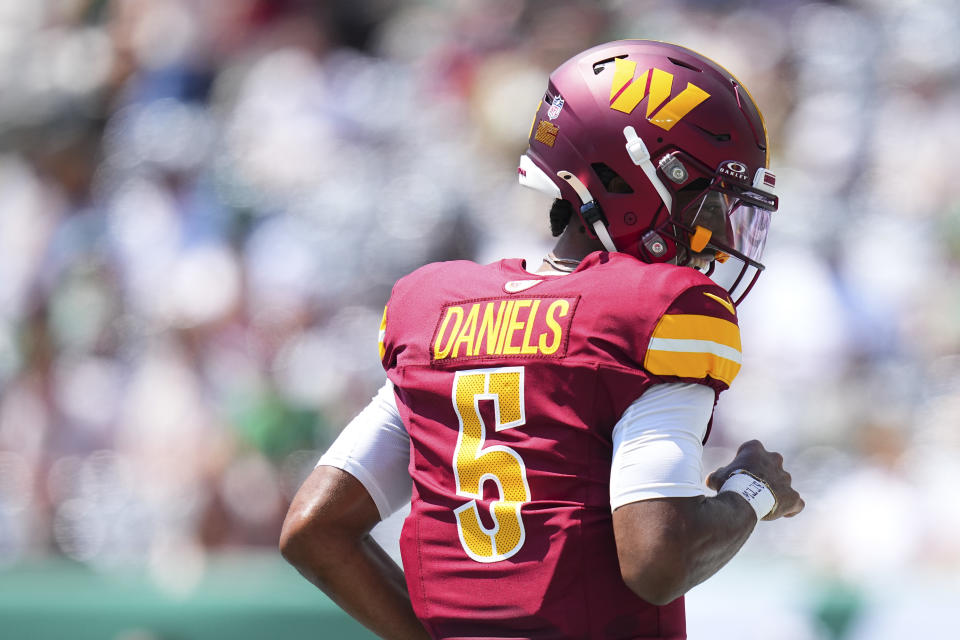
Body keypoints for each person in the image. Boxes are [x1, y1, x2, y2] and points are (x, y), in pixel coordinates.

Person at [280, 39, 804, 640]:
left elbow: (313, 530)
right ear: (633, 178)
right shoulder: (657, 314)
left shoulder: (435, 309)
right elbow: (658, 560)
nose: (714, 231)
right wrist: (752, 490)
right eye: (706, 202)